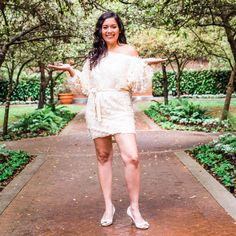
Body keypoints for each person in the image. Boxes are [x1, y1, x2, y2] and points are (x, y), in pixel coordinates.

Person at [48, 11, 166, 230]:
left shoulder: (129, 51)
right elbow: (84, 86)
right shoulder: (95, 55)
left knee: (132, 157)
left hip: (120, 107)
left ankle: (134, 208)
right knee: (103, 157)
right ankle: (108, 206)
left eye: (113, 26)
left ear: (119, 28)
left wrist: (143, 64)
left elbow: (136, 83)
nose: (109, 30)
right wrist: (71, 70)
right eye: (105, 27)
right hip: (97, 109)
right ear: (100, 31)